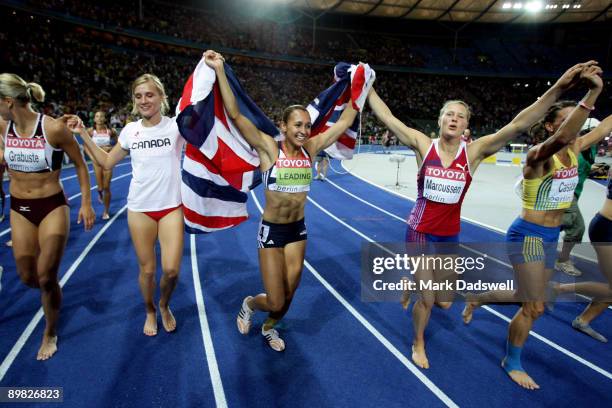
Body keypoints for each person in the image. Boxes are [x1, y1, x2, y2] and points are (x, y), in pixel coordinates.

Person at [367, 61, 595, 370]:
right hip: (419, 230)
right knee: (430, 299)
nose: (455, 119)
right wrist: (366, 83)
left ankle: (416, 279)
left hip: (449, 234)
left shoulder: (473, 153)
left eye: (461, 116)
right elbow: (388, 117)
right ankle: (418, 341)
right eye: (450, 113)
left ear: (466, 127)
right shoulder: (423, 144)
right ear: (440, 119)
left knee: (446, 300)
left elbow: (517, 124)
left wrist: (559, 88)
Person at [204, 50, 361, 351]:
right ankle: (250, 303)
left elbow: (345, 122)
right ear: (284, 126)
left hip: (297, 231)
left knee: (289, 295)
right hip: (272, 232)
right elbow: (236, 114)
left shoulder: (311, 148)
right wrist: (221, 70)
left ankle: (269, 327)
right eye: (297, 125)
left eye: (306, 126)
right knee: (274, 298)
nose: (304, 131)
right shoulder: (268, 149)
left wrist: (359, 86)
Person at [462, 63, 603, 389]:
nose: (574, 128)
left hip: (550, 236)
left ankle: (478, 297)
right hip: (528, 234)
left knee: (528, 295)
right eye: (566, 120)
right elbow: (567, 134)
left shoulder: (577, 148)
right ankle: (511, 361)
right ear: (550, 126)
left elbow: (598, 128)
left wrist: (600, 90)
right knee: (536, 305)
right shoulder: (538, 156)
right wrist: (592, 93)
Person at [74, 74, 185, 336]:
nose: (144, 100)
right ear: (134, 101)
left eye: (149, 95)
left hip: (171, 207)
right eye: (138, 96)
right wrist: (82, 135)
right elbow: (107, 162)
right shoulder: (130, 130)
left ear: (161, 97)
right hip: (140, 209)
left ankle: (164, 304)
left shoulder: (177, 126)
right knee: (147, 271)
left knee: (170, 270)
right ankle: (149, 310)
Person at [0, 73, 95, 360]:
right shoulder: (3, 127)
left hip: (52, 206)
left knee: (46, 277)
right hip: (20, 208)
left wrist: (86, 203)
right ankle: (47, 290)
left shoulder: (53, 128)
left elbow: (80, 165)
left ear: (7, 101)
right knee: (28, 276)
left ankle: (49, 332)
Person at [551, 115, 612, 343]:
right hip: (605, 226)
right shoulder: (577, 147)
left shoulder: (591, 151)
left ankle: (583, 318)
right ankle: (558, 286)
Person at [555, 117, 603, 276]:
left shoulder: (592, 148)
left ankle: (535, 248)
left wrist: (593, 169)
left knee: (557, 224)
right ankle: (562, 260)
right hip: (565, 194)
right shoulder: (576, 147)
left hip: (574, 193)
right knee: (577, 228)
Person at [83, 110, 117, 220]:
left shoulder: (111, 131)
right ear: (94, 119)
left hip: (108, 160)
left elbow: (118, 144)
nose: (99, 118)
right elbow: (85, 146)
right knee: (100, 187)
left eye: (102, 116)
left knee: (107, 187)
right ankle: (100, 192)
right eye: (97, 116)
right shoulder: (90, 131)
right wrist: (92, 158)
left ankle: (106, 211)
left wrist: (112, 149)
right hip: (96, 162)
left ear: (105, 118)